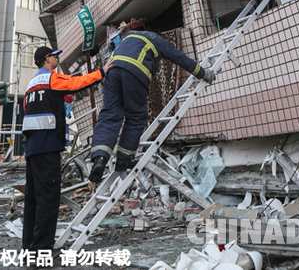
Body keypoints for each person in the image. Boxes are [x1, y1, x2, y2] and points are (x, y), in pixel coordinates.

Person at [89, 19, 216, 183]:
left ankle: (100, 159)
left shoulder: (128, 36)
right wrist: (203, 73)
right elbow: (180, 58)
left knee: (109, 114)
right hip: (135, 73)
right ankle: (124, 160)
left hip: (112, 73)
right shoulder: (157, 40)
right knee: (135, 117)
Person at [22, 46, 109, 252]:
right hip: (48, 146)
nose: (57, 59)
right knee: (48, 198)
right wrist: (102, 72)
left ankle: (29, 246)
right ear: (47, 59)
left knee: (33, 199)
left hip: (33, 149)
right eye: (55, 56)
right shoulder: (51, 78)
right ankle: (42, 247)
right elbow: (76, 83)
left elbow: (32, 110)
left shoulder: (31, 84)